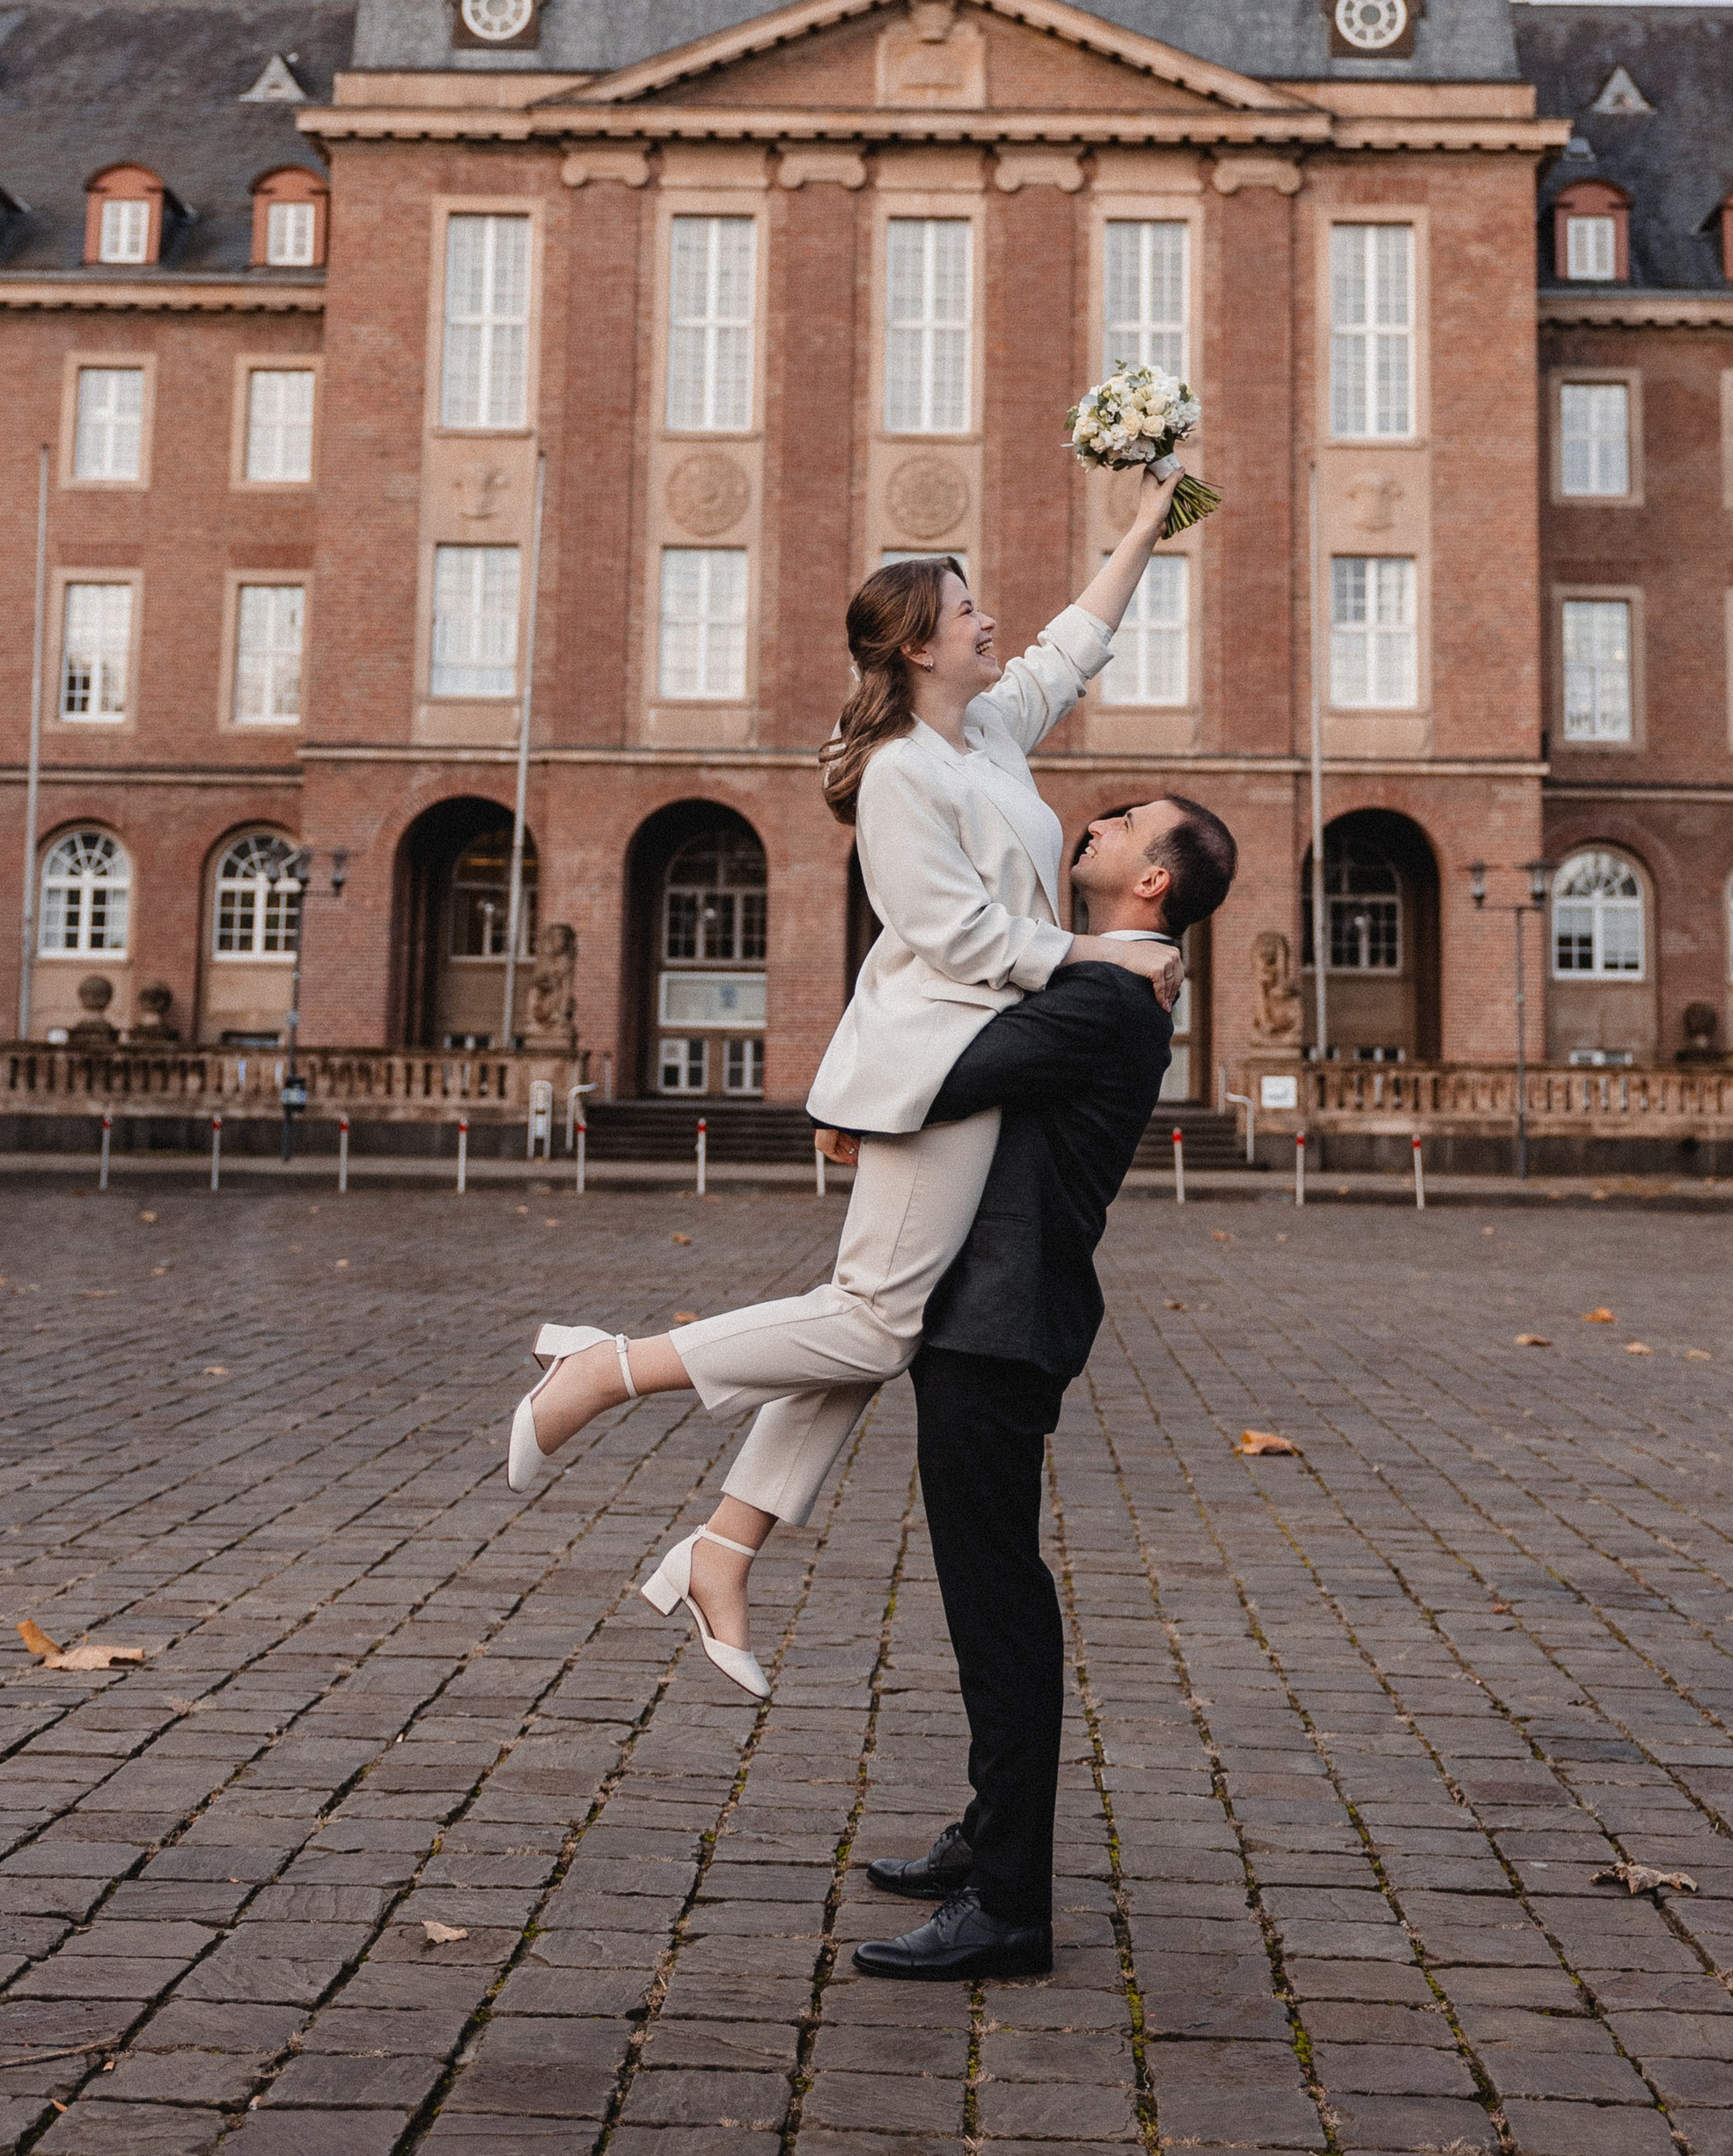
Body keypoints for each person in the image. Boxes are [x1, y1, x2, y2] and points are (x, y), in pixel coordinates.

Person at [505, 484, 1184, 1690]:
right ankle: (605, 1371)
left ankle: (723, 1546)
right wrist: (1102, 953)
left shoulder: (990, 735)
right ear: (920, 643)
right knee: (873, 1324)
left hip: (975, 1065)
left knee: (871, 1323)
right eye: (969, 609)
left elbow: (1073, 643)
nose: (992, 623)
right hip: (938, 1064)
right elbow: (954, 932)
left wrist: (1142, 528)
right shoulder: (897, 772)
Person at [848, 793, 1237, 1983]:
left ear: (1153, 883)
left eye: (1125, 822)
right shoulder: (1114, 984)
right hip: (995, 1317)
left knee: (998, 1604)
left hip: (1000, 1328)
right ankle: (988, 1836)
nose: (1097, 821)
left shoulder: (1108, 998)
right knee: (987, 1597)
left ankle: (1010, 1899)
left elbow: (947, 1073)